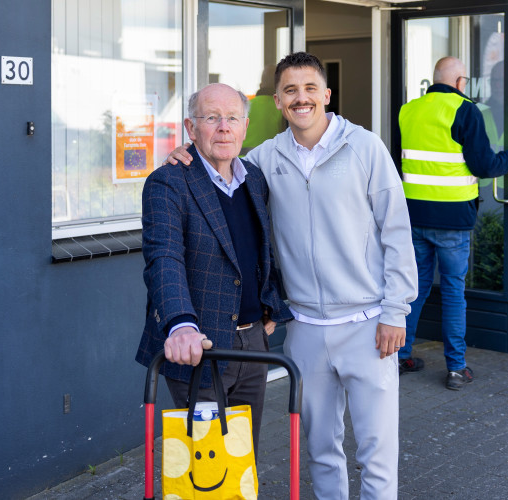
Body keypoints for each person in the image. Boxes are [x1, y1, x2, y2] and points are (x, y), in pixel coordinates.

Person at [166, 52, 418, 500]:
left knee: (377, 453)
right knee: (320, 451)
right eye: (290, 91)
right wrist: (184, 154)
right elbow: (218, 166)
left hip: (368, 325)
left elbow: (397, 231)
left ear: (326, 94)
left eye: (309, 88)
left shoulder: (365, 148)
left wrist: (396, 311)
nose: (301, 98)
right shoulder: (263, 160)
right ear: (278, 101)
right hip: (305, 329)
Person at [134, 83, 292, 453]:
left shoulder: (254, 178)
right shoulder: (168, 183)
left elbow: (259, 247)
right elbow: (164, 258)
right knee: (208, 466)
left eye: (232, 118)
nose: (223, 127)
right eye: (212, 118)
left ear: (245, 127)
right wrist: (181, 325)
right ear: (191, 128)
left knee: (242, 459)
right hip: (200, 347)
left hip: (254, 344)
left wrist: (270, 301)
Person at [396, 56, 508, 390]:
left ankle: (400, 356)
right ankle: (456, 368)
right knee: (454, 291)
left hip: (415, 215)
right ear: (459, 82)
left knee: (415, 288)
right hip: (453, 218)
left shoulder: (408, 111)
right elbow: (484, 166)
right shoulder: (465, 110)